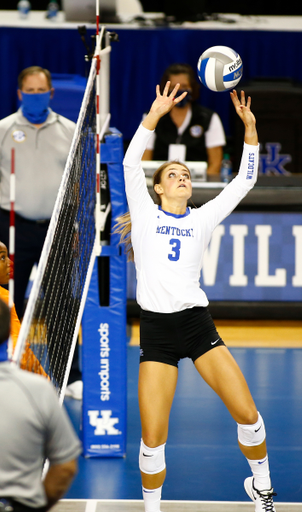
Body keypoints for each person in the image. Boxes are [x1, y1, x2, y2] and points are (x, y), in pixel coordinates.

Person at [115, 83, 276, 512]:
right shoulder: (146, 214)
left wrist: (250, 130)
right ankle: (152, 508)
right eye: (173, 175)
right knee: (152, 438)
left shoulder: (203, 218)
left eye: (186, 174)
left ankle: (261, 484)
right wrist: (154, 114)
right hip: (157, 332)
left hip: (196, 324)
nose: (182, 177)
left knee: (247, 414)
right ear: (159, 189)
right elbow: (130, 162)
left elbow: (245, 179)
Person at [0, 66, 82, 397]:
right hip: (12, 226)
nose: (35, 96)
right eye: (29, 91)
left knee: (63, 305)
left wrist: (75, 223)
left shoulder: (69, 130)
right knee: (7, 303)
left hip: (58, 229)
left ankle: (70, 376)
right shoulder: (3, 130)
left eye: (41, 91)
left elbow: (80, 182)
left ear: (51, 93)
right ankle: (8, 370)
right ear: (20, 94)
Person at [0, 297, 82, 512]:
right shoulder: (37, 390)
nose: (9, 261)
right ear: (9, 332)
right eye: (1, 259)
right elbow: (65, 467)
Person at [141, 63, 226, 175]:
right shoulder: (153, 116)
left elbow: (215, 165)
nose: (179, 91)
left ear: (192, 88)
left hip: (197, 186)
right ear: (165, 89)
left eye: (184, 87)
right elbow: (144, 162)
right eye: (174, 88)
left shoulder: (208, 118)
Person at [0, 240, 46, 376]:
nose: (10, 263)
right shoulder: (4, 298)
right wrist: (44, 381)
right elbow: (19, 350)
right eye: (2, 258)